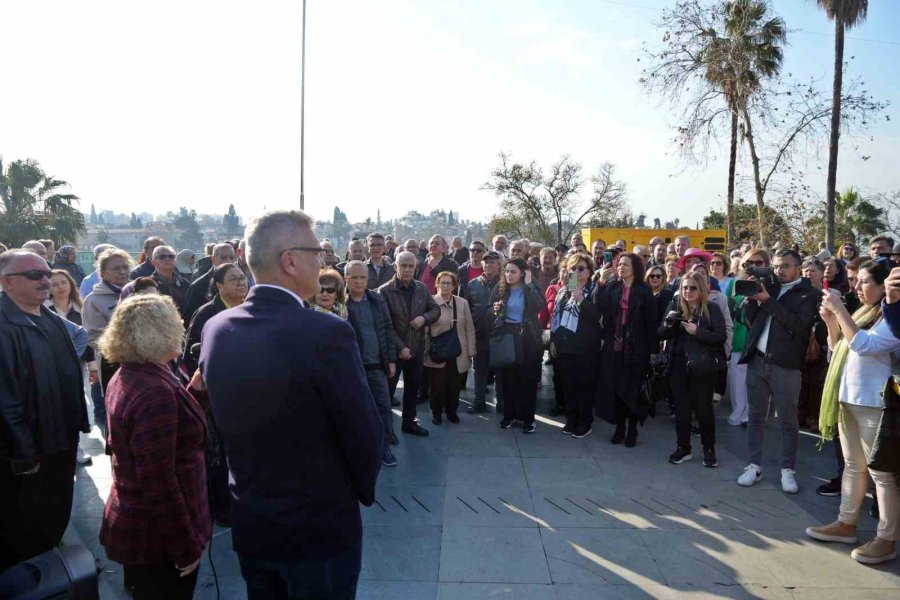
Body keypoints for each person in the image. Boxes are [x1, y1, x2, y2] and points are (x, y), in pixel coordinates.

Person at [200, 210, 382, 599]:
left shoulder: (217, 328)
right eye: (317, 251)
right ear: (290, 260)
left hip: (253, 524)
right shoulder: (326, 332)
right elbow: (362, 432)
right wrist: (360, 492)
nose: (323, 261)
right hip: (318, 531)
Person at [96, 294, 211, 599]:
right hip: (158, 539)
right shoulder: (154, 390)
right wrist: (184, 548)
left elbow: (165, 435)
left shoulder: (131, 373)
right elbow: (158, 481)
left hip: (142, 528)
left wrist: (194, 395)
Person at [0, 250, 89, 572]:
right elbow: (5, 398)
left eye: (47, 272)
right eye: (34, 275)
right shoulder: (4, 324)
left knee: (55, 510)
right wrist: (22, 452)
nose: (46, 280)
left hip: (59, 439)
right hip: (30, 450)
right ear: (7, 282)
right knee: (25, 522)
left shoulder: (47, 315)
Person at [806, 259, 899, 565]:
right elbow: (838, 351)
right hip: (849, 399)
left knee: (882, 476)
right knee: (852, 466)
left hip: (877, 403)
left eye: (865, 282)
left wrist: (841, 313)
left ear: (884, 285)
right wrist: (833, 323)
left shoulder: (890, 317)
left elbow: (863, 345)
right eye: (856, 281)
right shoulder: (861, 312)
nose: (857, 287)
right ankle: (846, 524)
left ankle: (886, 538)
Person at [737, 249, 820, 493]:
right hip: (758, 361)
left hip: (786, 365)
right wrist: (750, 298)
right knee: (755, 417)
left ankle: (787, 470)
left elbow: (797, 325)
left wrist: (768, 301)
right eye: (775, 266)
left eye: (785, 266)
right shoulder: (768, 286)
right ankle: (753, 465)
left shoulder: (809, 294)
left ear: (797, 268)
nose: (779, 270)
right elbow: (748, 320)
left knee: (787, 420)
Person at [659, 272, 727, 467]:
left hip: (703, 367)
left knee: (703, 410)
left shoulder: (711, 309)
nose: (688, 291)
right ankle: (683, 447)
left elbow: (720, 337)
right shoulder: (675, 306)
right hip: (678, 365)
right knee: (682, 410)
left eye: (693, 287)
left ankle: (709, 448)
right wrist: (669, 323)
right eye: (685, 288)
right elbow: (661, 334)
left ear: (701, 289)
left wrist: (698, 332)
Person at [595, 252, 658, 447]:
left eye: (626, 265)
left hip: (636, 349)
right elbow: (599, 307)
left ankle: (632, 428)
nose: (621, 268)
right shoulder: (613, 287)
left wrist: (652, 350)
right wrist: (601, 283)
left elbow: (651, 322)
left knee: (632, 390)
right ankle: (619, 427)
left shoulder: (644, 291)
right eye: (619, 264)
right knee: (616, 389)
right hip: (614, 347)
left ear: (635, 268)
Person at [379, 251, 440, 437]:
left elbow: (436, 309)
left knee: (413, 388)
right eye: (403, 265)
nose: (407, 269)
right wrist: (401, 347)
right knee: (387, 392)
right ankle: (385, 429)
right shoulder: (384, 291)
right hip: (393, 352)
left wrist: (424, 318)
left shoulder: (421, 288)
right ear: (395, 267)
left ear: (416, 267)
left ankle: (409, 423)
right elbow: (385, 325)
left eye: (410, 266)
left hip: (417, 347)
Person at [344, 261, 399, 467]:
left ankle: (384, 446)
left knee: (383, 407)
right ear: (346, 279)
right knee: (355, 410)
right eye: (354, 277)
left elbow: (387, 328)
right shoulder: (341, 304)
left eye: (362, 277)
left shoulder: (377, 300)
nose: (358, 281)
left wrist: (391, 359)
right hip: (353, 368)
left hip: (378, 365)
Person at [47, 269, 99, 465]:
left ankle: (77, 447)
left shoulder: (81, 307)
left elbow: (89, 339)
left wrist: (93, 366)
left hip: (77, 366)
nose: (60, 287)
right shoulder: (44, 309)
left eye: (63, 282)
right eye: (54, 284)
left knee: (76, 405)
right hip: (49, 366)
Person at [82, 248, 133, 438]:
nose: (122, 272)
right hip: (114, 363)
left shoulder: (137, 292)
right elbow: (93, 337)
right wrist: (125, 348)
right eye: (116, 268)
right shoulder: (93, 301)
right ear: (102, 273)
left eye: (125, 267)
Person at [491, 257, 544, 433]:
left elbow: (539, 306)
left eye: (513, 271)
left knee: (527, 380)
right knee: (507, 379)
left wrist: (528, 285)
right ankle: (509, 416)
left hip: (527, 336)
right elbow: (489, 309)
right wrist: (496, 309)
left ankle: (528, 418)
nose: (509, 275)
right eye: (506, 271)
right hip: (507, 334)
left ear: (523, 273)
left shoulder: (530, 288)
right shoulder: (501, 289)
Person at [551, 253, 600, 438]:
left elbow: (596, 317)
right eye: (573, 268)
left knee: (584, 386)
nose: (576, 272)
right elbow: (557, 318)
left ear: (589, 272)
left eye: (581, 269)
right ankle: (571, 419)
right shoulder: (564, 290)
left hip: (585, 348)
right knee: (568, 386)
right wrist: (554, 340)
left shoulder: (595, 290)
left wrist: (581, 300)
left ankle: (585, 421)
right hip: (565, 346)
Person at [424, 271, 476, 425]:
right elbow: (425, 330)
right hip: (436, 352)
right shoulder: (430, 302)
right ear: (437, 284)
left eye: (449, 283)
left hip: (458, 352)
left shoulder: (462, 303)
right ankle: (436, 412)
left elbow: (469, 327)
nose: (445, 286)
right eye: (442, 283)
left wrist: (471, 351)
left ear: (454, 286)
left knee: (454, 386)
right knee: (436, 386)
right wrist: (425, 351)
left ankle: (452, 411)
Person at [725, 249, 770, 427]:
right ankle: (738, 412)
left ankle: (753, 416)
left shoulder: (772, 283)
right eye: (748, 263)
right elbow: (729, 311)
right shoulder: (734, 283)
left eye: (758, 263)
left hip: (762, 339)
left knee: (758, 382)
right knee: (738, 379)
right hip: (740, 336)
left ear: (766, 264)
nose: (753, 267)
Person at [183, 263, 248, 374]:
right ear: (219, 285)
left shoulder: (251, 310)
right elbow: (192, 355)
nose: (240, 282)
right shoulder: (207, 313)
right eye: (233, 279)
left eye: (242, 278)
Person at [465, 250, 502, 414]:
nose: (488, 265)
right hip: (479, 334)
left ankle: (502, 403)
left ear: (499, 264)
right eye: (486, 262)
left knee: (501, 372)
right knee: (479, 371)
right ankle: (479, 401)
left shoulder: (505, 283)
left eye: (492, 262)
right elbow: (466, 309)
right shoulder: (473, 284)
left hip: (500, 335)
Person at [798, 257, 829, 431]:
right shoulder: (797, 292)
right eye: (806, 270)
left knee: (817, 382)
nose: (808, 273)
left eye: (813, 271)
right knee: (800, 381)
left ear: (821, 273)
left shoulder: (826, 294)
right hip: (799, 342)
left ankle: (815, 416)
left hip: (820, 343)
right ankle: (800, 413)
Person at [182, 242, 237, 326]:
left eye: (232, 258)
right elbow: (189, 319)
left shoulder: (240, 282)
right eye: (223, 258)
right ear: (213, 259)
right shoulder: (199, 286)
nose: (228, 261)